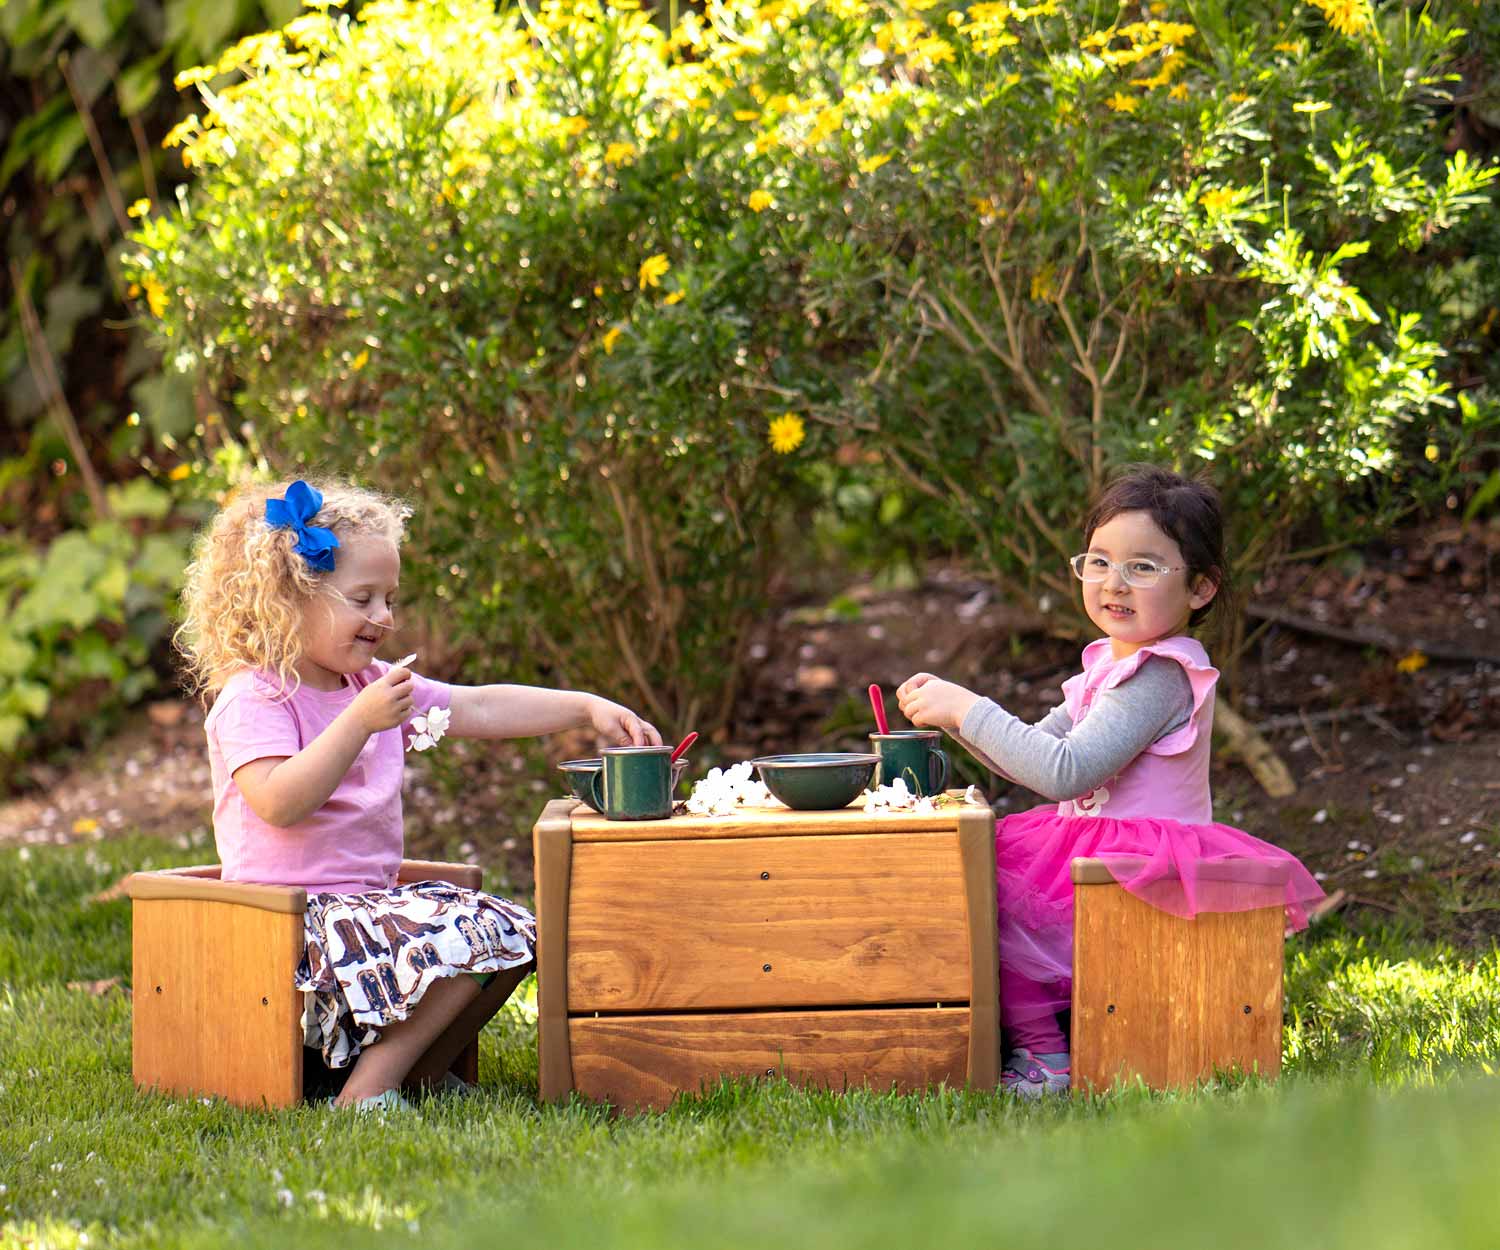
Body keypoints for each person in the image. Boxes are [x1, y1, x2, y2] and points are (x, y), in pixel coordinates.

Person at [177, 478, 661, 1110]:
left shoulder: (370, 685)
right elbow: (277, 801)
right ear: (289, 599)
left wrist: (586, 708)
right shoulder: (257, 696)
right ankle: (369, 1094)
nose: (384, 617)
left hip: (366, 916)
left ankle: (418, 1076)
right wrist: (358, 724)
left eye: (389, 597)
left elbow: (480, 706)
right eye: (363, 598)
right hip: (293, 928)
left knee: (513, 934)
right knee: (467, 933)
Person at [896, 465, 1323, 1097]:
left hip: (1140, 856)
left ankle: (1045, 1058)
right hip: (1088, 840)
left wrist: (968, 709)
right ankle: (1031, 1043)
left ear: (1201, 588)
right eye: (1098, 562)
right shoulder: (1111, 663)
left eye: (1143, 568)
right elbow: (1033, 749)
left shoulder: (1161, 675)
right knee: (984, 879)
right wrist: (950, 723)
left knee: (1003, 899)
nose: (1113, 584)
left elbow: (1066, 770)